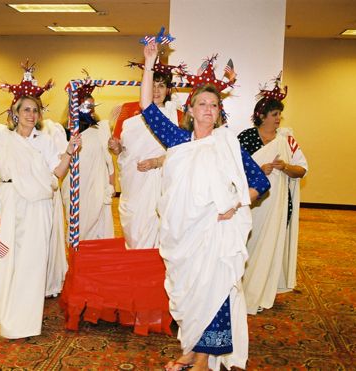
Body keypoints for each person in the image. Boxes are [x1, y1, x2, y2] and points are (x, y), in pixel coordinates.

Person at [139, 41, 270, 370]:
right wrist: (150, 63)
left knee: (215, 291)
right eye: (202, 104)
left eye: (214, 105)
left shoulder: (228, 144)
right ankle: (191, 350)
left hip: (216, 231)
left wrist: (237, 204)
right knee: (190, 295)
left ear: (218, 112)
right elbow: (147, 110)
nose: (208, 109)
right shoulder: (178, 140)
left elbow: (260, 182)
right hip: (183, 234)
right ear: (191, 110)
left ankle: (200, 360)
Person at [0, 95, 80, 339]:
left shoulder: (45, 141)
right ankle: (1, 310)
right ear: (15, 113)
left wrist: (69, 152)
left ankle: (22, 322)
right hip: (9, 202)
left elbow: (57, 172)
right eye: (26, 110)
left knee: (32, 262)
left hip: (38, 206)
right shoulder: (3, 139)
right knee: (6, 258)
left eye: (35, 110)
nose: (30, 114)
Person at [238, 91, 308, 315]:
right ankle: (239, 290)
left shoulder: (287, 141)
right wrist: (258, 171)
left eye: (280, 115)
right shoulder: (245, 138)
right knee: (245, 246)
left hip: (277, 208)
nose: (278, 118)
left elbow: (302, 170)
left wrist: (284, 167)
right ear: (262, 115)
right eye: (275, 114)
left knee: (268, 245)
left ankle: (260, 290)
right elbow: (233, 170)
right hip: (251, 205)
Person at [108, 71, 179, 249]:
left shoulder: (176, 116)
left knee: (155, 222)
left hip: (159, 179)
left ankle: (151, 264)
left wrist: (156, 162)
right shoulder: (129, 116)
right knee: (133, 221)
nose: (156, 90)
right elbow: (123, 151)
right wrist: (116, 147)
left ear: (168, 90)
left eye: (161, 86)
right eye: (152, 85)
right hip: (134, 182)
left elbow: (180, 153)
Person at [62, 93, 115, 240]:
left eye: (92, 106)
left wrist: (111, 186)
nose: (91, 110)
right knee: (78, 232)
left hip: (98, 188)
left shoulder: (100, 129)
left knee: (100, 232)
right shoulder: (64, 132)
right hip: (76, 190)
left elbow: (109, 162)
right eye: (86, 106)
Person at [41, 118, 69, 297]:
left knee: (49, 236)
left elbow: (58, 168)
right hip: (23, 197)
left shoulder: (52, 130)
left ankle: (48, 280)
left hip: (48, 192)